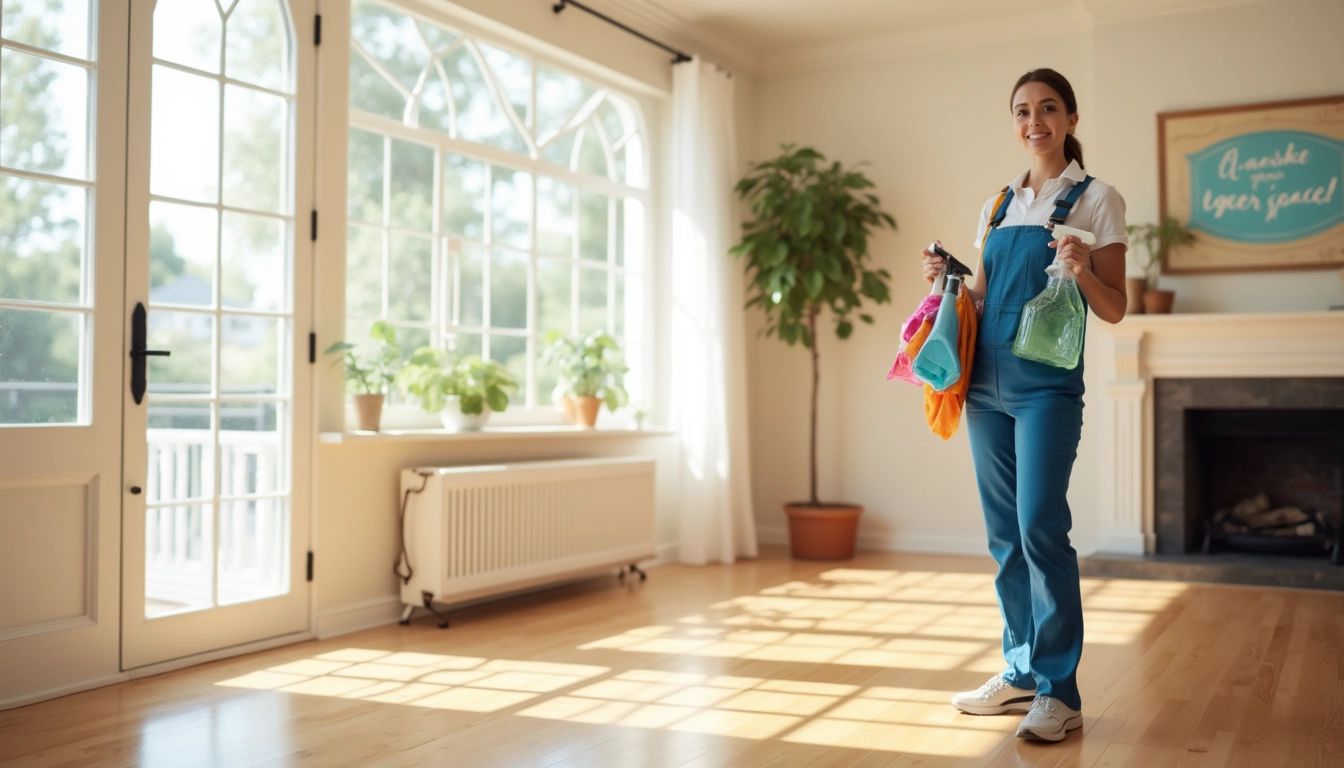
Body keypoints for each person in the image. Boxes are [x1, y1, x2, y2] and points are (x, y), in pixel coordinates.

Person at [920, 68, 1128, 742]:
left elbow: (1117, 308)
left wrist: (1083, 268)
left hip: (1046, 388)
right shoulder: (997, 204)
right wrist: (948, 277)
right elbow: (980, 299)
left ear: (1070, 118)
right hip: (985, 384)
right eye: (1021, 111)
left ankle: (1058, 691)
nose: (1033, 121)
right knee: (1004, 536)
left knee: (1041, 526)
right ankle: (1018, 673)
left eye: (1046, 109)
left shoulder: (1098, 199)